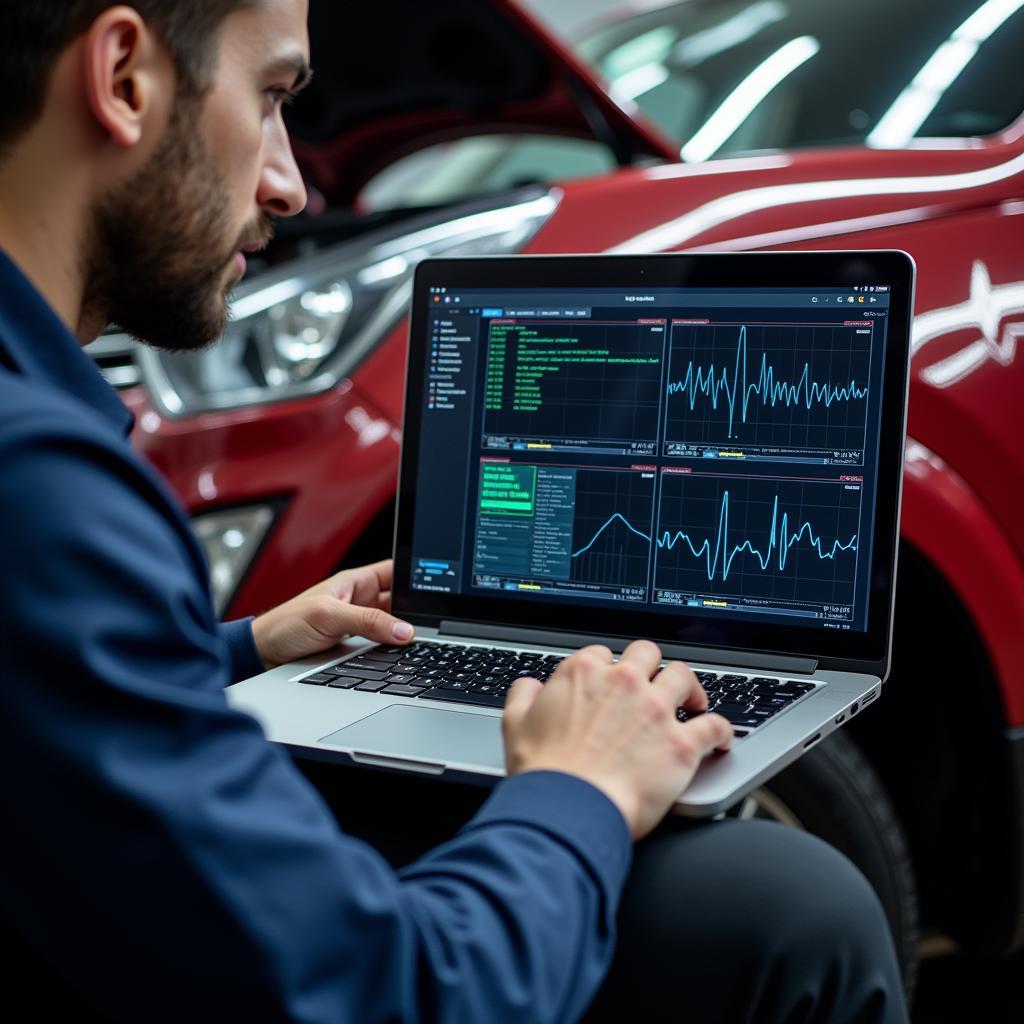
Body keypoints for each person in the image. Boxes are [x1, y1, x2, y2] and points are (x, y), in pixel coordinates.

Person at [0, 1, 909, 1021]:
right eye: (270, 98)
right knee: (799, 907)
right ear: (125, 77)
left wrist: (243, 648)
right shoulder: (40, 488)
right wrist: (580, 787)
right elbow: (399, 997)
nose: (291, 185)